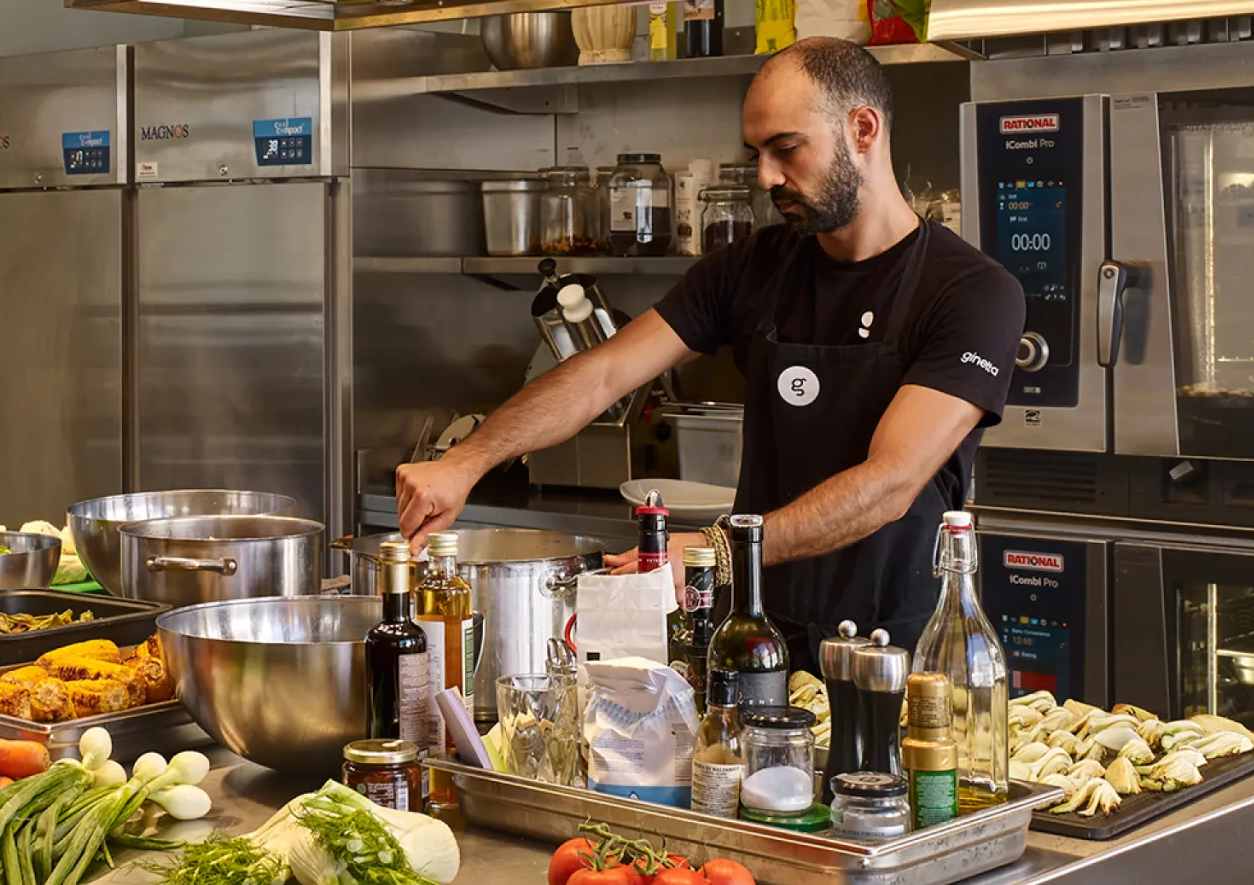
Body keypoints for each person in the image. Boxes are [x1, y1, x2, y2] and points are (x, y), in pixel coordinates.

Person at [394, 37, 1022, 645]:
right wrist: (464, 463)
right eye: (756, 153)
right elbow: (603, 373)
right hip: (752, 634)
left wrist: (718, 549)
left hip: (895, 648)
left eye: (786, 148)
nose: (766, 176)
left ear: (863, 130)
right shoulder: (751, 267)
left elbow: (891, 481)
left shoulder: (970, 292)